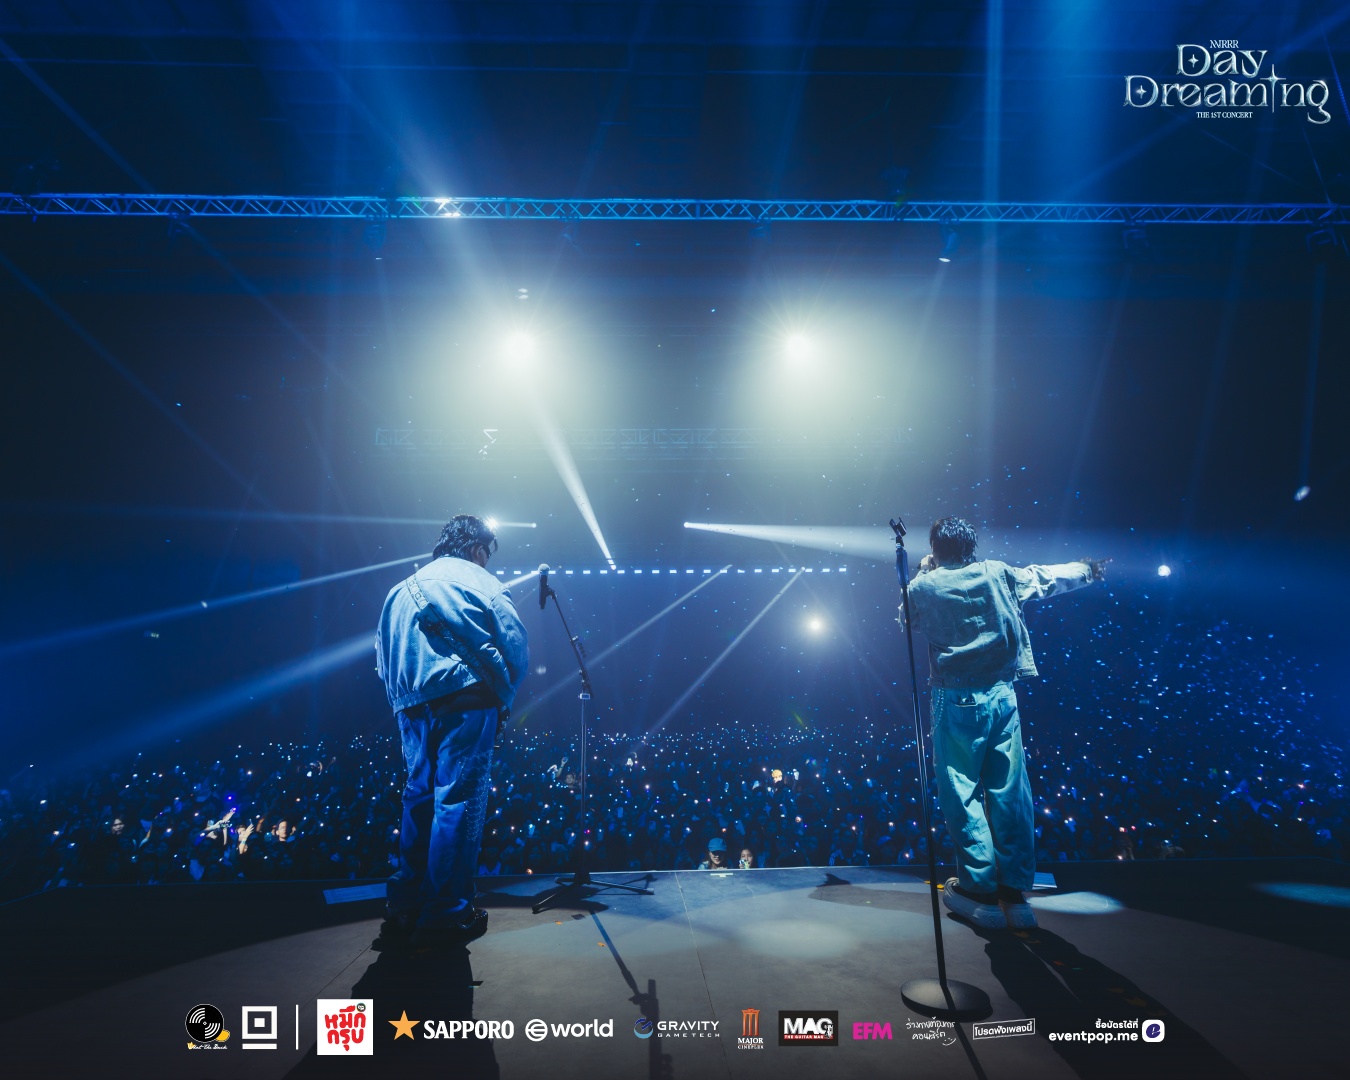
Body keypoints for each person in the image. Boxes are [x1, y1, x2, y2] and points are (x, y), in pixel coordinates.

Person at [905, 516, 1106, 931]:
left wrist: (924, 572)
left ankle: (980, 893)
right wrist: (1086, 569)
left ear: (936, 548)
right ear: (971, 547)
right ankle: (1014, 895)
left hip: (954, 699)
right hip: (1002, 694)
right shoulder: (997, 573)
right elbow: (1045, 578)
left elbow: (908, 620)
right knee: (1010, 791)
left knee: (961, 792)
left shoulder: (924, 586)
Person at [373, 515, 529, 949]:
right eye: (487, 553)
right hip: (467, 700)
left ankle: (404, 907)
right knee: (457, 802)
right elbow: (516, 649)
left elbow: (381, 659)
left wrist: (406, 700)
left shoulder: (398, 591)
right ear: (478, 549)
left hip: (410, 705)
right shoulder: (484, 582)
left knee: (417, 799)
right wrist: (504, 695)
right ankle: (446, 914)